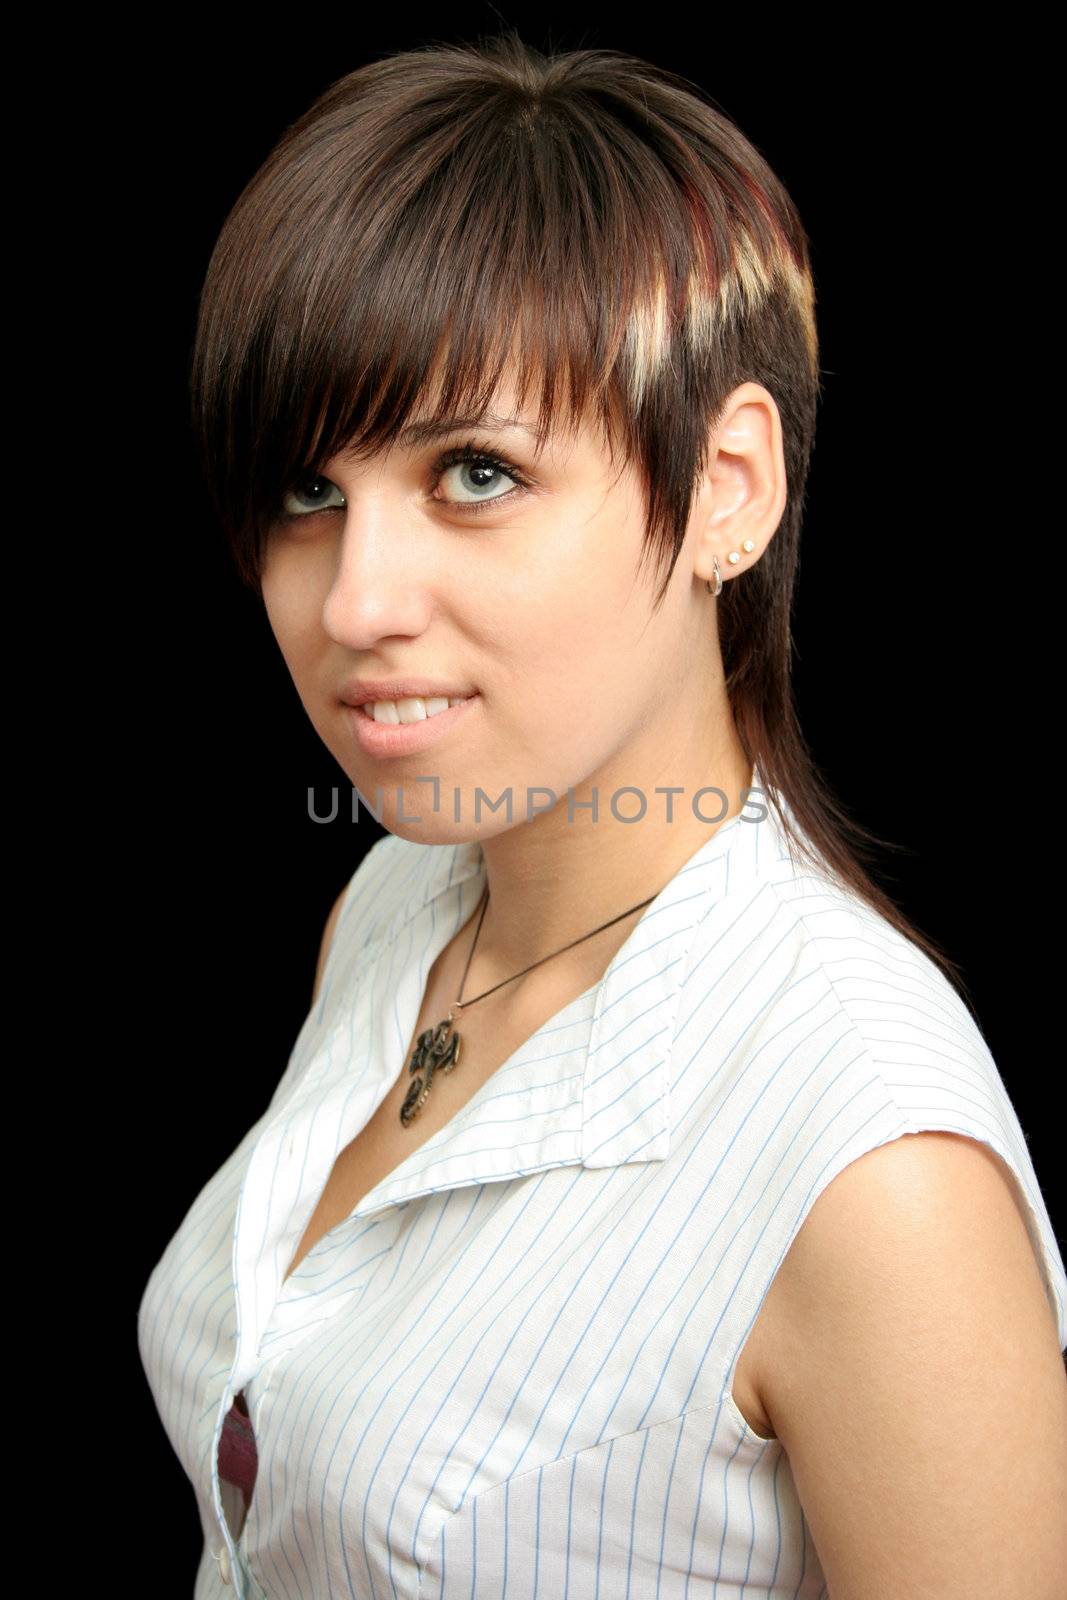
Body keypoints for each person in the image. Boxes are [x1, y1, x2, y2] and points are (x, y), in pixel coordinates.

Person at [137, 29, 1067, 1600]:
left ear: (729, 490)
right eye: (311, 490)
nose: (355, 602)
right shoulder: (387, 918)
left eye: (477, 473)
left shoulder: (876, 1170)